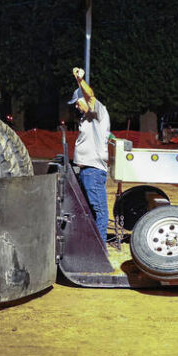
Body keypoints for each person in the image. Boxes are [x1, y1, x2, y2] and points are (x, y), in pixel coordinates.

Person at [68, 66, 111, 242]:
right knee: (92, 211)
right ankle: (90, 246)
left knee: (100, 212)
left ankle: (99, 250)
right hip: (87, 172)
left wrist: (80, 81)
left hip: (93, 171)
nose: (77, 107)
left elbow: (91, 96)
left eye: (78, 103)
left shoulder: (98, 112)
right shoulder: (86, 119)